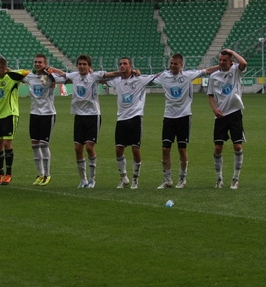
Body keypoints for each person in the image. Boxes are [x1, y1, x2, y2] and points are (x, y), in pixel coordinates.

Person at [53, 54, 123, 188]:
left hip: (93, 115)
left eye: (84, 64)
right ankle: (83, 179)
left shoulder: (94, 76)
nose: (82, 66)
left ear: (89, 66)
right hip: (79, 116)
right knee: (78, 148)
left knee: (90, 147)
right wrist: (51, 69)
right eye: (80, 64)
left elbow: (112, 74)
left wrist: (127, 71)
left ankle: (92, 179)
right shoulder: (74, 76)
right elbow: (63, 74)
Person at [153, 54, 219, 189]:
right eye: (171, 63)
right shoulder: (164, 76)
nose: (172, 66)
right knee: (165, 148)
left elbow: (206, 71)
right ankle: (167, 179)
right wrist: (136, 73)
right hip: (169, 116)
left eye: (175, 64)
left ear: (181, 65)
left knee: (182, 148)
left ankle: (182, 179)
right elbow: (150, 77)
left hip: (184, 116)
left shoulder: (188, 75)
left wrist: (223, 66)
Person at [106, 57, 159, 190]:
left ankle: (135, 179)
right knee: (119, 149)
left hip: (135, 117)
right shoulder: (117, 81)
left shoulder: (139, 79)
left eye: (125, 64)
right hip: (121, 118)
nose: (122, 66)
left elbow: (156, 77)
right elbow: (101, 79)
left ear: (131, 66)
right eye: (120, 64)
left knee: (135, 149)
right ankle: (124, 178)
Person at [0, 57, 29, 185]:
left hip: (10, 114)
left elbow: (27, 72)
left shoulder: (12, 77)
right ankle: (0, 173)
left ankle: (8, 174)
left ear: (4, 68)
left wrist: (11, 70)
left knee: (7, 144)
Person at [207, 49, 248, 190]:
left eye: (225, 60)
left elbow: (243, 62)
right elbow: (210, 95)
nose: (222, 62)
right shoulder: (214, 76)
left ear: (231, 61)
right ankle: (219, 178)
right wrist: (214, 109)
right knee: (218, 148)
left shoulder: (236, 70)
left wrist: (231, 51)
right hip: (220, 115)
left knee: (237, 146)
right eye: (220, 60)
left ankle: (235, 179)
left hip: (235, 113)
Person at [24, 54, 58, 186]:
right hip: (34, 114)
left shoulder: (49, 77)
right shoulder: (30, 77)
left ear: (45, 63)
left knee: (44, 144)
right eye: (36, 62)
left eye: (40, 62)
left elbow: (60, 79)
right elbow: (19, 75)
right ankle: (40, 174)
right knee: (34, 145)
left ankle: (47, 174)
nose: (37, 64)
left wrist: (50, 72)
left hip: (48, 114)